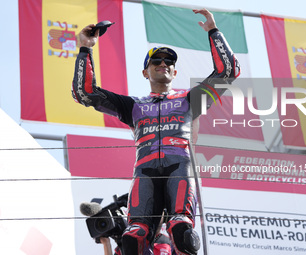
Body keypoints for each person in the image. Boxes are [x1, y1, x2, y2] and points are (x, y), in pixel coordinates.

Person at [72, 8, 240, 255]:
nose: (163, 64)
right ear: (145, 71)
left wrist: (214, 32)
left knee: (182, 231)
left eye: (169, 62)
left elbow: (228, 72)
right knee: (133, 237)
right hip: (145, 170)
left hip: (179, 166)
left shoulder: (190, 99)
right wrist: (85, 48)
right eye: (156, 61)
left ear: (175, 71)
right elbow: (84, 93)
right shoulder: (133, 105)